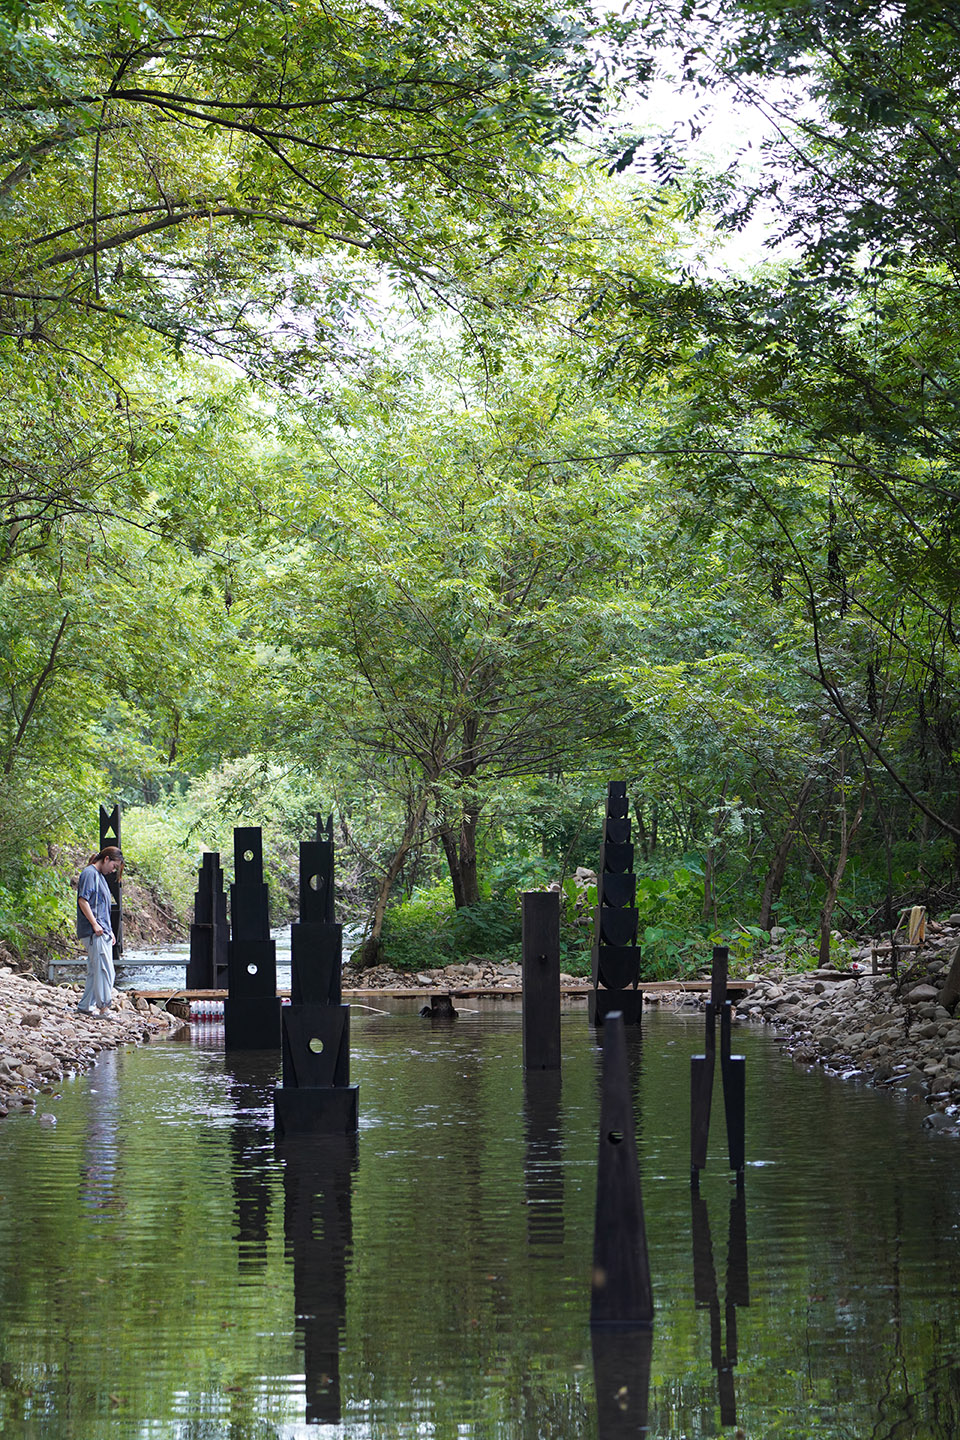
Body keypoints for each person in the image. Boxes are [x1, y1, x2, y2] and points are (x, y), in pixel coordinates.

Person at [76, 846, 123, 1016]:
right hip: (94, 932)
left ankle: (85, 1006)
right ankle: (104, 1008)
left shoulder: (99, 876)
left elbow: (102, 908)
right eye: (114, 866)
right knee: (105, 970)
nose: (113, 870)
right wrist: (95, 925)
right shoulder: (90, 874)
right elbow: (83, 900)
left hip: (101, 932)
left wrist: (109, 932)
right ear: (106, 859)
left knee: (95, 970)